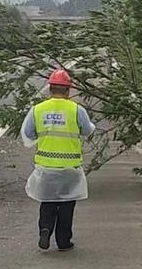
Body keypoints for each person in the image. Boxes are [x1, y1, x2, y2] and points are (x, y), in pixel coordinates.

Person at [21, 69, 95, 251]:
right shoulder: (77, 110)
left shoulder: (37, 110)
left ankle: (45, 229)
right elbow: (87, 130)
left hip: (46, 167)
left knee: (47, 201)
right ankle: (63, 241)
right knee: (67, 205)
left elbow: (28, 134)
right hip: (70, 168)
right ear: (68, 90)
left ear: (50, 88)